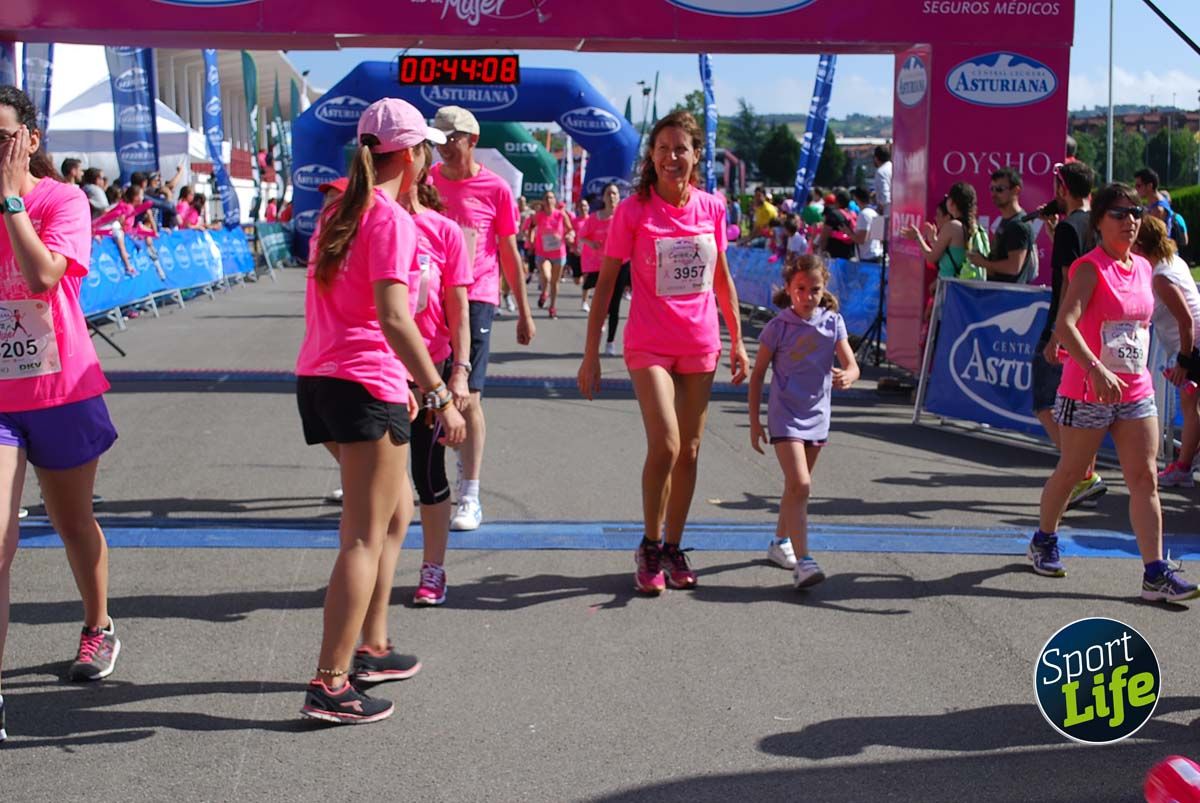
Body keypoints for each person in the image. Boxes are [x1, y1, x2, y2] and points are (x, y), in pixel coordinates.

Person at [295, 98, 466, 724]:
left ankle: (370, 644)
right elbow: (395, 319)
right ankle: (332, 680)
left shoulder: (337, 211)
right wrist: (439, 393)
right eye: (427, 151)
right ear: (414, 155)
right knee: (364, 537)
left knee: (394, 514)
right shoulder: (389, 217)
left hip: (322, 377)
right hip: (364, 382)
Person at [578, 111, 749, 594]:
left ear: (696, 155)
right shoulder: (633, 211)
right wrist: (591, 353)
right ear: (651, 158)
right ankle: (650, 544)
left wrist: (737, 339)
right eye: (662, 149)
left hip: (700, 342)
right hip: (649, 343)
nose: (672, 157)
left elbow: (722, 279)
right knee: (667, 444)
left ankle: (673, 546)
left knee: (690, 451)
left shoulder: (712, 208)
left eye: (681, 149)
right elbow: (606, 284)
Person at [0, 85, 122, 744]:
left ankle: (98, 624)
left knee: (73, 522)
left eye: (1, 138)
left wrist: (11, 200)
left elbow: (44, 276)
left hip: (60, 390)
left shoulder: (62, 200)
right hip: (2, 402)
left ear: (30, 139)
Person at [1029, 183, 1198, 603]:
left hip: (1135, 389)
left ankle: (1155, 573)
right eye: (1119, 214)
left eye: (1135, 212)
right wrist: (1096, 368)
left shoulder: (1143, 267)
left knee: (1144, 478)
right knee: (1072, 472)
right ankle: (1044, 539)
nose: (1130, 221)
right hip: (1088, 389)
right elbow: (1065, 324)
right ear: (1100, 222)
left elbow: (1147, 324)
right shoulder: (1088, 268)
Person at [431, 105, 536, 532]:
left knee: (468, 397)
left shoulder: (496, 189)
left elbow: (509, 251)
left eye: (450, 138)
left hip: (477, 297)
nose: (442, 147)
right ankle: (419, 479)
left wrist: (524, 312)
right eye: (437, 139)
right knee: (428, 392)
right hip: (432, 297)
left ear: (472, 140)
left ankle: (470, 494)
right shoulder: (426, 182)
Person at [748, 254, 859, 580]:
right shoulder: (777, 327)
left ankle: (779, 542)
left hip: (817, 415)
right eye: (800, 289)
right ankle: (804, 561)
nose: (807, 297)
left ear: (824, 290)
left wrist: (849, 376)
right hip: (785, 416)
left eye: (814, 290)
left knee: (795, 488)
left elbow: (852, 365)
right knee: (801, 484)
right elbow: (758, 375)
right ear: (788, 288)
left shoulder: (833, 322)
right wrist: (754, 420)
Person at [402, 142, 474, 606]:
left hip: (431, 365)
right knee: (382, 483)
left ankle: (433, 568)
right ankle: (373, 566)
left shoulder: (443, 231)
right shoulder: (369, 224)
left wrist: (460, 374)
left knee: (427, 472)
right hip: (380, 371)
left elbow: (459, 310)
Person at [1034, 160, 1106, 508]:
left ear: (1063, 188)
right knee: (1078, 405)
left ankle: (1080, 474)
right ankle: (1083, 474)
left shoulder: (1069, 227)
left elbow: (1067, 279)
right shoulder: (1098, 224)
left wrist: (1057, 334)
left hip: (1067, 324)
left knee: (1044, 402)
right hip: (1092, 325)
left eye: (1057, 187)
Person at [1134, 216, 1200, 489]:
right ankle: (1187, 460)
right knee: (1191, 404)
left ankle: (1183, 467)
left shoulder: (1161, 277)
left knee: (1190, 405)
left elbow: (1186, 321)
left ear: (1140, 245)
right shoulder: (1173, 261)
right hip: (1191, 344)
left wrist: (1184, 361)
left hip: (1194, 345)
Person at [578, 182, 629, 356]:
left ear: (619, 197)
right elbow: (582, 236)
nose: (612, 196)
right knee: (601, 303)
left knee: (615, 304)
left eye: (615, 193)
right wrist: (591, 243)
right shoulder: (595, 218)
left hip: (621, 264)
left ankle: (610, 342)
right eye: (609, 193)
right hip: (600, 265)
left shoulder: (624, 216)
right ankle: (596, 335)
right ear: (604, 197)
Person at [971, 167, 1036, 284]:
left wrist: (983, 263)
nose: (994, 194)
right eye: (992, 189)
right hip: (998, 290)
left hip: (1008, 292)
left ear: (1016, 191)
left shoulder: (1018, 225)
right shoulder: (1007, 220)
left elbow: (1014, 267)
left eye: (1000, 189)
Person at [900, 182, 977, 279]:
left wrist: (917, 238)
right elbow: (952, 253)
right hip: (963, 283)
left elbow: (931, 257)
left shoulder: (952, 226)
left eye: (948, 198)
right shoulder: (973, 226)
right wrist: (933, 240)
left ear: (952, 203)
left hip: (950, 284)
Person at [531, 189, 574, 318]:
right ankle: (544, 292)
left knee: (555, 282)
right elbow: (531, 227)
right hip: (542, 252)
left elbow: (570, 229)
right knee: (546, 276)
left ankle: (552, 306)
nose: (549, 200)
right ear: (543, 202)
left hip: (559, 252)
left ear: (555, 201)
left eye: (551, 198)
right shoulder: (539, 216)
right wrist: (530, 239)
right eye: (546, 198)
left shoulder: (561, 215)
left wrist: (570, 236)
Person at [816, 189, 857, 261]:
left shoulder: (833, 214)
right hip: (850, 254)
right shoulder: (852, 214)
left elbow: (824, 235)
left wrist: (821, 251)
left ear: (836, 201)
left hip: (834, 256)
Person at [850, 187, 882, 262]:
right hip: (876, 255)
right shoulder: (874, 213)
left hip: (867, 258)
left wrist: (848, 232)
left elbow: (861, 240)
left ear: (856, 198)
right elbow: (880, 238)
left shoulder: (864, 214)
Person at [872, 144, 892, 219]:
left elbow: (885, 196)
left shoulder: (880, 172)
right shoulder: (894, 167)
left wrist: (880, 208)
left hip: (887, 212)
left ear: (876, 158)